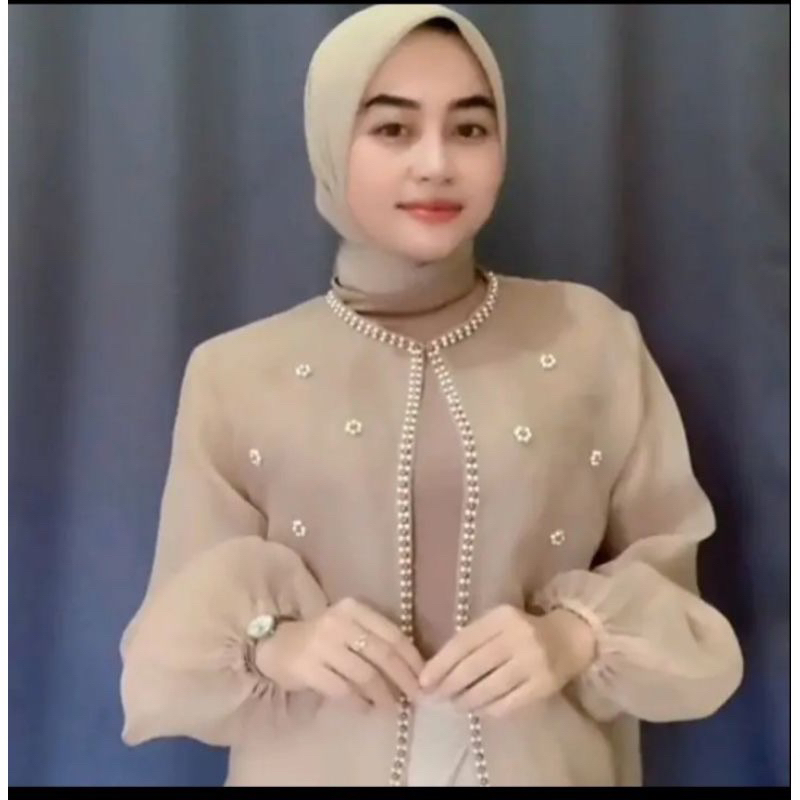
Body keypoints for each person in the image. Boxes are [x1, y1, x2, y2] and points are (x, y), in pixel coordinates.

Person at [119, 3, 744, 787]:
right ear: (329, 142)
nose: (436, 163)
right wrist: (279, 643)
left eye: (470, 129)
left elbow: (682, 612)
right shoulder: (236, 373)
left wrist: (573, 638)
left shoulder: (590, 339)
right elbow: (167, 647)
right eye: (393, 129)